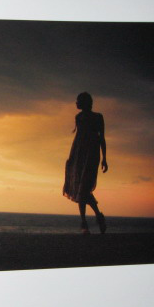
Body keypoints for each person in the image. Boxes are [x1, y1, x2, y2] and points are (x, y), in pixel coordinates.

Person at [63, 92, 108, 234]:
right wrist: (71, 158)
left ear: (85, 102)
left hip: (92, 155)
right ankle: (93, 219)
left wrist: (104, 158)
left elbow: (102, 138)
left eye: (78, 100)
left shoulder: (98, 117)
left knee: (83, 189)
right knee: (81, 190)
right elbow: (77, 139)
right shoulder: (78, 117)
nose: (76, 103)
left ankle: (88, 222)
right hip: (78, 155)